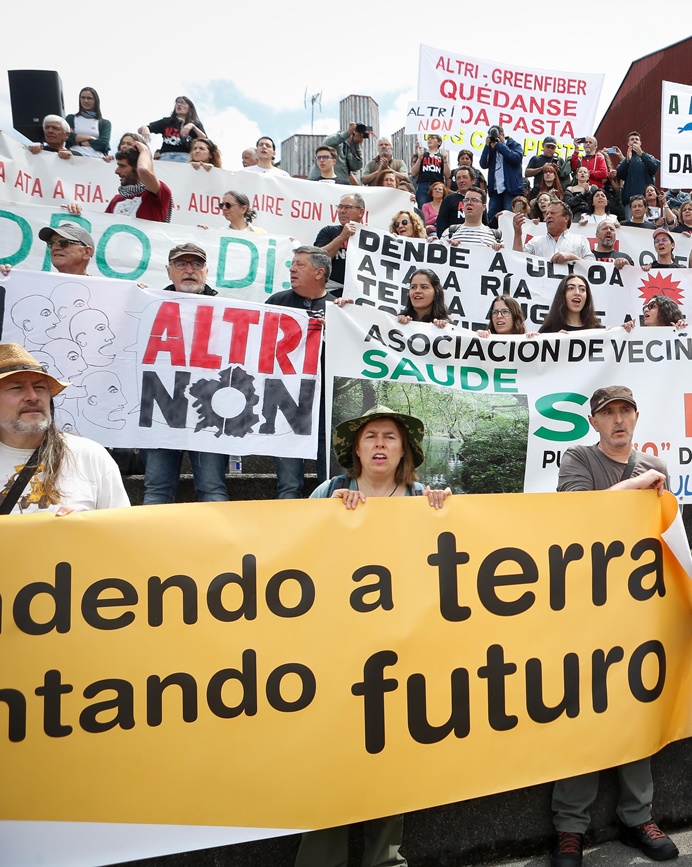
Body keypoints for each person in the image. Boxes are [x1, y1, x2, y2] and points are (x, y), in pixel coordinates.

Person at [298, 409, 447, 867]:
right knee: (331, 753)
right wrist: (323, 515)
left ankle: (385, 858)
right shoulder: (326, 492)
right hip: (337, 647)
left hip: (403, 646)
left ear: (404, 450)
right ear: (356, 448)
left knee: (390, 753)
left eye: (390, 437)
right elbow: (294, 554)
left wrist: (446, 514)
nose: (380, 444)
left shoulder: (425, 497)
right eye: (370, 437)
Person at [552, 384, 674, 867]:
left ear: (636, 417)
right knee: (580, 707)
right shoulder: (577, 458)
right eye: (609, 413)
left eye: (626, 411)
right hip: (582, 603)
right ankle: (569, 827)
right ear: (595, 422)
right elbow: (582, 514)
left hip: (636, 606)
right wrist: (634, 487)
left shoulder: (656, 468)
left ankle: (636, 816)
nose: (618, 420)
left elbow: (664, 535)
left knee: (634, 706)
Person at [139, 244, 229, 505]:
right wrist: (135, 300)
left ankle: (220, 547)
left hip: (209, 411)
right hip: (160, 410)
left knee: (213, 488)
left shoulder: (228, 309)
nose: (189, 270)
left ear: (206, 272)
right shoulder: (147, 305)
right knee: (156, 489)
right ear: (169, 272)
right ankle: (150, 547)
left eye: (196, 264)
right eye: (181, 264)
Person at [0, 343, 129, 515]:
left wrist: (85, 529)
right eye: (17, 388)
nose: (33, 396)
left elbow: (121, 532)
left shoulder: (89, 456)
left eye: (40, 387)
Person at [265, 247, 336, 498]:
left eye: (299, 265)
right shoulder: (276, 302)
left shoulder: (340, 308)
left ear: (319, 273)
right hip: (286, 405)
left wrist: (333, 333)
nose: (292, 269)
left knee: (331, 482)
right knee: (288, 485)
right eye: (292, 264)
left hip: (327, 406)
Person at [107, 138, 173, 222]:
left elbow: (143, 170)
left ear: (137, 167)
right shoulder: (116, 199)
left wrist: (144, 150)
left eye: (122, 166)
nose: (117, 171)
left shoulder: (158, 194)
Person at [514, 201, 593, 263]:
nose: (548, 216)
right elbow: (518, 262)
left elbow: (592, 267)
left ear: (566, 218)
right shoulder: (535, 242)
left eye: (553, 213)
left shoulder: (580, 240)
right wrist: (518, 233)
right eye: (547, 214)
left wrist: (572, 257)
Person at [316, 193, 366, 289]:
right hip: (331, 292)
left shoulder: (372, 237)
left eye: (347, 207)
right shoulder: (328, 231)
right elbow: (317, 260)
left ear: (361, 212)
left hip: (360, 293)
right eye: (340, 207)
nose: (342, 211)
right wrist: (342, 237)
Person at [480, 125, 526, 225]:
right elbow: (483, 164)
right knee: (492, 217)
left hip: (511, 190)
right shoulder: (491, 148)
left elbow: (515, 158)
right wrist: (487, 146)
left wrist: (500, 145)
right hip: (495, 190)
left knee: (510, 217)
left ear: (503, 135)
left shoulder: (514, 145)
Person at [140, 96, 205, 162]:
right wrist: (145, 128)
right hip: (165, 156)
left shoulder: (196, 124)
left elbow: (204, 139)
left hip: (185, 156)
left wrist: (192, 126)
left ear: (190, 108)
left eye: (183, 102)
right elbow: (142, 129)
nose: (179, 104)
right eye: (177, 102)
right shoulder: (167, 121)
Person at [65, 87, 111, 159]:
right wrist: (91, 138)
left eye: (89, 98)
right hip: (73, 157)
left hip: (97, 159)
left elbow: (103, 144)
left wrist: (79, 142)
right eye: (83, 98)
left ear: (95, 100)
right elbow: (68, 137)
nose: (85, 101)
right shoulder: (71, 118)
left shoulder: (104, 123)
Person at [617, 132, 660, 205]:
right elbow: (619, 174)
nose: (634, 141)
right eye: (632, 139)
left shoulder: (648, 157)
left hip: (646, 200)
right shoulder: (626, 160)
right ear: (628, 143)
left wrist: (642, 155)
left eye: (637, 139)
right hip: (630, 201)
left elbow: (655, 167)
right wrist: (627, 160)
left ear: (640, 143)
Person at [436, 167, 475, 236]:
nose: (461, 180)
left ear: (473, 180)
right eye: (458, 178)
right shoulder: (449, 199)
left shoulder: (479, 199)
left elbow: (485, 223)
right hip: (453, 241)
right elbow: (441, 223)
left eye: (465, 177)